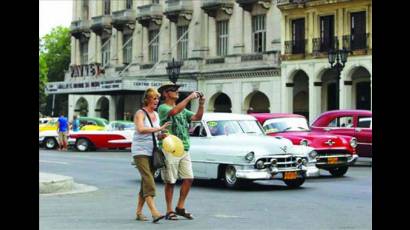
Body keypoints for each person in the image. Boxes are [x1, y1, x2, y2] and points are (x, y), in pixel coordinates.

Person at [157, 82, 205, 220]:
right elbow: (174, 112)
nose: (177, 92)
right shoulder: (163, 107)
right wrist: (189, 98)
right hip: (170, 147)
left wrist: (201, 104)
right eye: (173, 90)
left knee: (189, 178)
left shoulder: (183, 109)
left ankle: (180, 207)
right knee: (170, 181)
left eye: (178, 90)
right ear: (165, 94)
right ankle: (169, 210)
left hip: (184, 147)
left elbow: (197, 118)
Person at [131, 87, 171, 223]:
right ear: (147, 99)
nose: (156, 101)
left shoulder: (156, 115)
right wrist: (159, 128)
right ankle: (154, 212)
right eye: (154, 98)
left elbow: (155, 134)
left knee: (144, 184)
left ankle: (138, 212)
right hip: (140, 151)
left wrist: (161, 135)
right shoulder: (140, 113)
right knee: (149, 181)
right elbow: (141, 129)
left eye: (158, 98)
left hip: (152, 151)